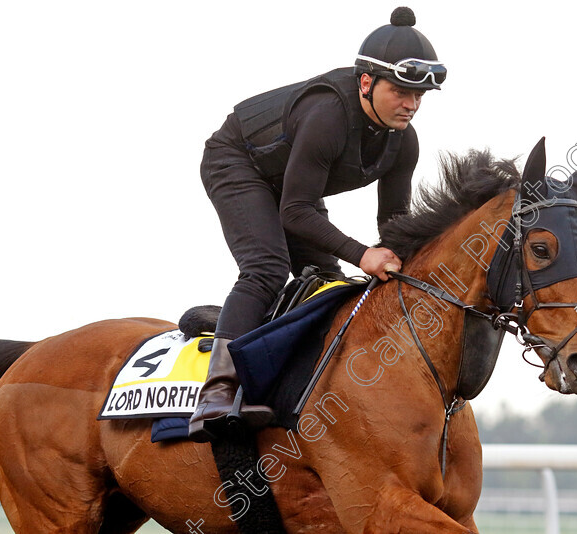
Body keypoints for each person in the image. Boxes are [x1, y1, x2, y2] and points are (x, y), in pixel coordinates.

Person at [189, 6, 447, 442]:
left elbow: (393, 224)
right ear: (366, 82)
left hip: (291, 186)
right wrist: (363, 254)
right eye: (402, 91)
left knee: (326, 282)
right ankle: (217, 392)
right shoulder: (328, 114)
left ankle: (262, 343)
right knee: (266, 268)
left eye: (419, 96)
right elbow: (294, 211)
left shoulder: (404, 142)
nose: (411, 104)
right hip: (237, 162)